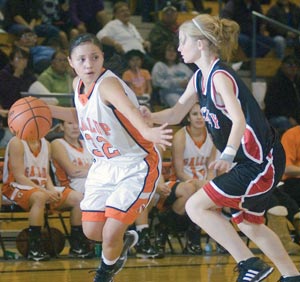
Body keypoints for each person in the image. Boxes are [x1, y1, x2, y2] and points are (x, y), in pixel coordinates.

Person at [142, 14, 300, 281]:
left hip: (261, 160)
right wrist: (146, 116)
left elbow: (238, 119)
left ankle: (250, 263)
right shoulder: (199, 78)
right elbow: (175, 114)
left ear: (201, 43)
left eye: (183, 41)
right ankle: (291, 276)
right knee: (250, 223)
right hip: (252, 162)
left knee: (195, 207)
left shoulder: (220, 76)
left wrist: (227, 154)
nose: (179, 48)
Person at [47, 33, 172, 282]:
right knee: (93, 231)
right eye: (81, 59)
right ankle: (123, 241)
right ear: (71, 62)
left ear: (102, 57)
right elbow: (80, 114)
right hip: (103, 166)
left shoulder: (108, 84)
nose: (88, 64)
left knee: (112, 228)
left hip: (135, 163)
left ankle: (104, 275)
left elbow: (129, 110)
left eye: (94, 57)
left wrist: (147, 131)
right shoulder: (77, 85)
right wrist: (45, 109)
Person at [2, 135, 93, 261]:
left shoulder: (46, 144)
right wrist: (44, 191)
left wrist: (51, 189)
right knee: (40, 197)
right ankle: (34, 248)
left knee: (78, 198)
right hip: (14, 187)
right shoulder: (17, 142)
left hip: (40, 189)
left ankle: (77, 245)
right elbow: (19, 176)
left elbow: (46, 175)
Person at [96, 1, 153, 69]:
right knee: (155, 66)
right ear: (115, 14)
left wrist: (145, 42)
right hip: (128, 57)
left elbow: (140, 40)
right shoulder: (113, 24)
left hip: (141, 55)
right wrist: (114, 43)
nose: (126, 13)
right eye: (122, 11)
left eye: (127, 11)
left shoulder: (131, 26)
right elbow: (99, 35)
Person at [0, 46, 36, 147]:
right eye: (19, 58)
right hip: (7, 113)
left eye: (24, 58)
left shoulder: (29, 76)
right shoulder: (3, 76)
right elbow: (9, 95)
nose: (22, 61)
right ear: (11, 61)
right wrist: (16, 75)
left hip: (23, 113)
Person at [50, 120, 93, 195]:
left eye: (78, 123)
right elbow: (73, 172)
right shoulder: (57, 143)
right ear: (62, 127)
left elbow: (101, 168)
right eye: (70, 123)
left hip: (91, 182)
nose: (75, 127)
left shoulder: (87, 144)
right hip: (70, 187)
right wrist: (93, 170)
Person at [264, 55, 300, 136]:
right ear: (283, 66)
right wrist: (289, 117)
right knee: (284, 122)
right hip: (276, 116)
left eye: (295, 65)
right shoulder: (276, 83)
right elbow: (273, 105)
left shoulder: (297, 82)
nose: (293, 67)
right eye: (290, 65)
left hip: (294, 116)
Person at [151, 42, 193, 107]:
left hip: (186, 93)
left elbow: (192, 78)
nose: (172, 53)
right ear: (164, 52)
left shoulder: (182, 66)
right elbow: (156, 83)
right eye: (169, 50)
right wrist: (177, 83)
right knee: (180, 104)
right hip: (169, 94)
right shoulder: (159, 66)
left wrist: (188, 84)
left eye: (174, 51)